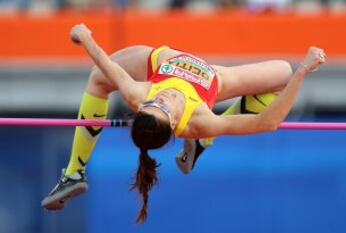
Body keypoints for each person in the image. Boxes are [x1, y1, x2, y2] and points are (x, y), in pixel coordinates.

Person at [41, 23, 326, 223]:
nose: (164, 97)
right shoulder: (200, 119)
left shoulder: (140, 94)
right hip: (215, 79)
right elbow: (269, 121)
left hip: (156, 62)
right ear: (177, 122)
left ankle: (74, 172)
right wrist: (302, 70)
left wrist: (85, 36)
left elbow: (107, 65)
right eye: (165, 107)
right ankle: (202, 144)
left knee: (97, 78)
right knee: (283, 74)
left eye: (154, 103)